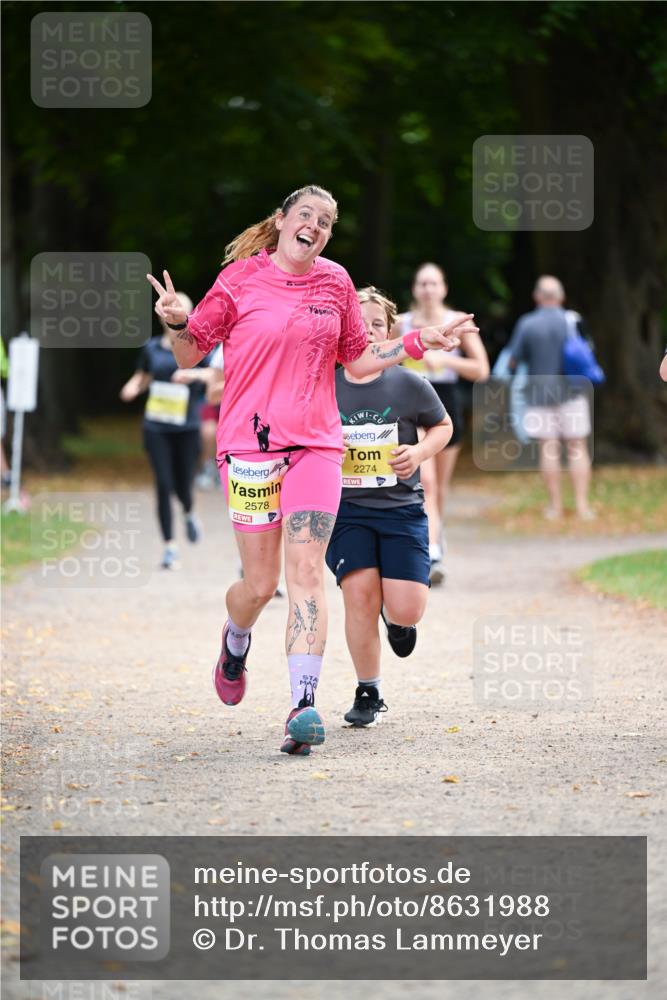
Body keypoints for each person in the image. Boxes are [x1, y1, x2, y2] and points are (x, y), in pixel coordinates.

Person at [147, 184, 478, 757]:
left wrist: (418, 340)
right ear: (281, 221)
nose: (317, 227)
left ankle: (302, 705)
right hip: (250, 449)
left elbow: (358, 357)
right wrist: (179, 321)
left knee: (306, 573)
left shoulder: (336, 282)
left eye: (327, 221)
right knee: (258, 585)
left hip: (317, 448)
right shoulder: (240, 281)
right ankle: (235, 638)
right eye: (307, 215)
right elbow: (189, 355)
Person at [326, 286, 453, 727]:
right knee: (359, 596)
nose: (366, 331)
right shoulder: (324, 381)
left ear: (391, 331)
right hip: (347, 511)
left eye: (376, 324)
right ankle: (368, 690)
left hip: (400, 509)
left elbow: (442, 426)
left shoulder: (407, 382)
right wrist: (326, 443)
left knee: (406, 608)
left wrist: (418, 454)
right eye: (358, 323)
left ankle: (398, 620)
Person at [393, 263, 489, 584]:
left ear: (444, 288)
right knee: (427, 482)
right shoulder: (402, 323)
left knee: (440, 487)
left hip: (445, 401)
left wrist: (446, 359)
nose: (428, 289)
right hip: (411, 402)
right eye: (422, 283)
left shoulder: (456, 321)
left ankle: (436, 534)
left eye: (434, 283)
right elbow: (382, 354)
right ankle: (430, 548)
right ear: (414, 289)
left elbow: (481, 369)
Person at [120, 292, 210, 568]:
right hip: (156, 425)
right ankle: (170, 547)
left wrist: (192, 374)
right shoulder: (152, 348)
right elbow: (143, 376)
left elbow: (217, 375)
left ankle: (189, 511)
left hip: (187, 426)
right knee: (163, 483)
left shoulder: (199, 347)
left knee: (183, 483)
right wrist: (133, 387)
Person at [508, 275, 595, 521]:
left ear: (537, 297)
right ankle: (582, 506)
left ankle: (555, 508)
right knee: (577, 446)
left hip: (538, 393)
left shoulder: (527, 324)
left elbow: (514, 359)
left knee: (549, 448)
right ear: (561, 297)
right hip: (572, 391)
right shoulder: (572, 320)